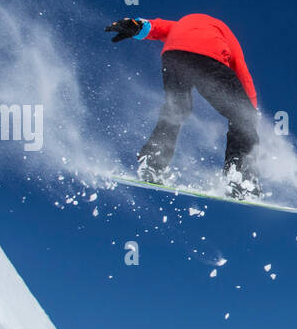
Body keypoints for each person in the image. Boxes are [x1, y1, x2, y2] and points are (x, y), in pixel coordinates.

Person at [105, 13, 261, 198]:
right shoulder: (226, 36)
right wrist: (251, 111)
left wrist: (136, 26)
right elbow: (242, 73)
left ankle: (153, 162)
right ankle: (239, 178)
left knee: (177, 108)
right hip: (208, 57)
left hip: (173, 55)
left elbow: (157, 27)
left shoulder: (184, 24)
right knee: (242, 117)